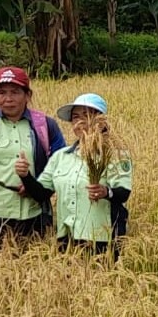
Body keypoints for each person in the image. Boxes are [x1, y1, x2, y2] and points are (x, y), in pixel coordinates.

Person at [17, 93, 131, 260]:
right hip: (67, 238)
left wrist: (106, 192)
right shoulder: (61, 156)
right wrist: (25, 176)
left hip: (102, 238)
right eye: (75, 117)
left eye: (86, 115)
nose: (80, 122)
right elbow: (42, 193)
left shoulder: (116, 155)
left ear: (101, 121)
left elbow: (123, 192)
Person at [0, 66, 66, 249]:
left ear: (27, 95)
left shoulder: (45, 126)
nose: (8, 99)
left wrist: (35, 186)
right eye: (2, 92)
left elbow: (61, 166)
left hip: (34, 215)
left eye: (15, 92)